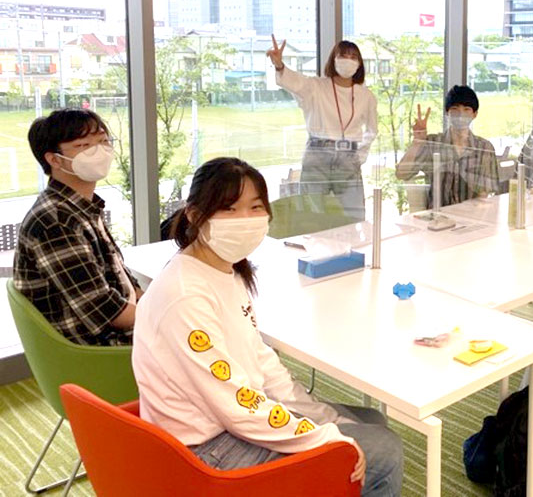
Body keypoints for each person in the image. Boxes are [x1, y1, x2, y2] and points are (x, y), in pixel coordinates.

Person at [132, 157, 402, 495]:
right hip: (205, 454)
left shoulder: (224, 270)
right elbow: (236, 407)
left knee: (371, 422)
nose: (245, 219)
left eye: (255, 207)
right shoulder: (186, 295)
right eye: (229, 209)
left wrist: (325, 419)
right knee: (384, 449)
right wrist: (323, 438)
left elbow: (260, 362)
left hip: (225, 423)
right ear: (195, 215)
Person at [13, 109, 139, 345]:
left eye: (103, 141)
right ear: (54, 159)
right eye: (83, 145)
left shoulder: (81, 207)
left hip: (119, 334)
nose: (99, 151)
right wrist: (163, 316)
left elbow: (121, 280)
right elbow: (106, 310)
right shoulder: (56, 222)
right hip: (103, 348)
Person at [267, 36, 378, 221]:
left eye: (353, 57)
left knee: (353, 215)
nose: (348, 60)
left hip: (348, 157)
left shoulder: (366, 95)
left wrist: (359, 155)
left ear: (359, 64)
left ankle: (351, 241)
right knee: (311, 215)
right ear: (333, 59)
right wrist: (279, 65)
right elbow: (293, 81)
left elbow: (372, 130)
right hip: (318, 152)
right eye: (343, 56)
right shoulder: (315, 86)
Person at [395, 85, 500, 207]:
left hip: (471, 214)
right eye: (455, 109)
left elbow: (485, 193)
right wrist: (417, 142)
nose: (460, 115)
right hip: (438, 215)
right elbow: (401, 174)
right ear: (447, 112)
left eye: (466, 109)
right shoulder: (434, 143)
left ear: (474, 114)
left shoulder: (484, 148)